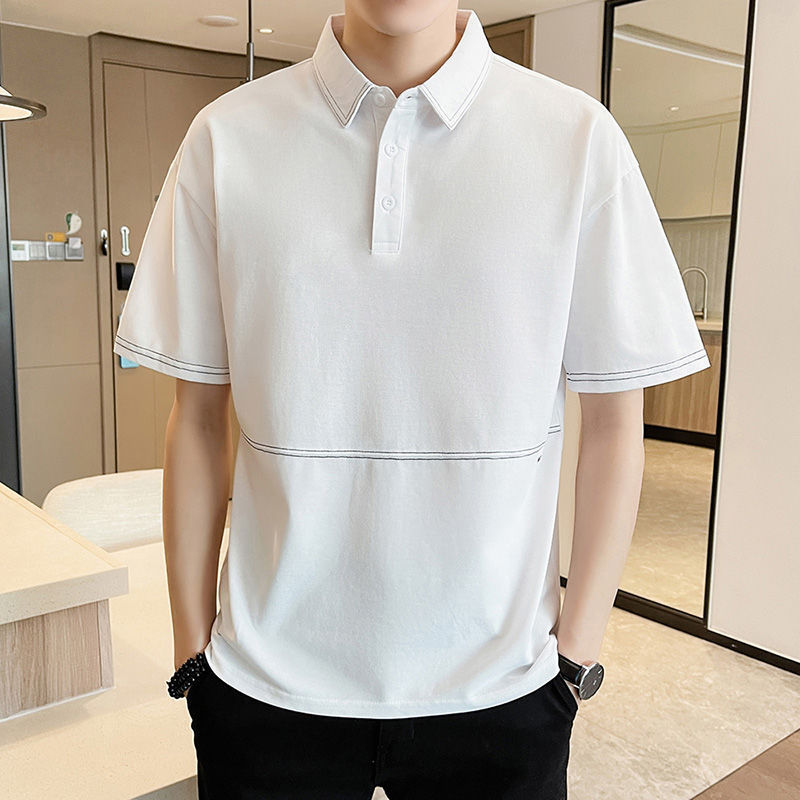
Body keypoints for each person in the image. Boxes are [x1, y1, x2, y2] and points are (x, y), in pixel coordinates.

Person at [113, 2, 711, 798]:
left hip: (502, 684)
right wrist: (193, 651)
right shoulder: (226, 138)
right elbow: (196, 416)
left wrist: (577, 653)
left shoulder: (576, 138)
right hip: (266, 685)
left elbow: (613, 419)